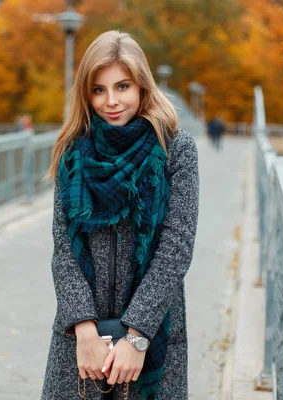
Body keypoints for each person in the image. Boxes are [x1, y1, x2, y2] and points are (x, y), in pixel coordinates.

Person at [42, 30, 200, 400]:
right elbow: (63, 249)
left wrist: (136, 335)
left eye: (123, 86)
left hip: (152, 334)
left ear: (142, 86)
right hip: (82, 340)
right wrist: (83, 329)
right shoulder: (72, 152)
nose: (111, 101)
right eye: (98, 90)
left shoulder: (176, 149)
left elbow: (176, 248)